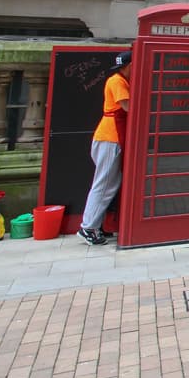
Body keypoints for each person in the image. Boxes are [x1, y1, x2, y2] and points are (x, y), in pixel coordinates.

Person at [79, 50, 131, 245]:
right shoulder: (117, 81)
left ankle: (95, 223)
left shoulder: (120, 80)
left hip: (110, 136)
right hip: (110, 137)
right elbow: (128, 106)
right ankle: (88, 227)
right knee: (104, 184)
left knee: (109, 184)